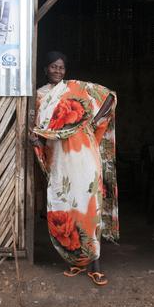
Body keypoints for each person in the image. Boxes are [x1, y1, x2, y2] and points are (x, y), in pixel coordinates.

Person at [30, 51, 118, 286]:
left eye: (61, 67)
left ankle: (95, 265)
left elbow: (109, 96)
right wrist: (37, 140)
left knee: (90, 210)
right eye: (53, 66)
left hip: (85, 157)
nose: (57, 71)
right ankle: (77, 261)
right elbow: (39, 127)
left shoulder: (76, 88)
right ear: (45, 69)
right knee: (67, 209)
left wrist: (93, 121)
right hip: (60, 160)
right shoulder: (39, 96)